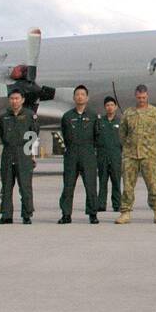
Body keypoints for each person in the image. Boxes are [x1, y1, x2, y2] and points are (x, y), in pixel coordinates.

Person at [119, 84, 156, 225]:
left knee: (153, 186)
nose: (141, 100)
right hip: (131, 155)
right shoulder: (128, 113)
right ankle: (125, 213)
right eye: (139, 97)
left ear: (147, 96)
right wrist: (128, 146)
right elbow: (122, 133)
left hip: (149, 155)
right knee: (127, 186)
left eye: (144, 97)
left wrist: (154, 146)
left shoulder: (155, 113)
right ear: (135, 96)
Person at [58, 84, 101, 224]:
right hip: (71, 153)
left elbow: (97, 135)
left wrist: (90, 150)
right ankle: (66, 214)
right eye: (77, 94)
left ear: (87, 98)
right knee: (68, 185)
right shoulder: (67, 116)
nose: (80, 97)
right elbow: (65, 134)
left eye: (82, 94)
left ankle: (92, 214)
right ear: (73, 97)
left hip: (88, 153)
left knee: (90, 185)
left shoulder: (93, 116)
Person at [0, 91, 37, 224]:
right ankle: (6, 215)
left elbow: (34, 134)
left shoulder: (29, 115)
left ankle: (27, 214)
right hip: (8, 153)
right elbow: (2, 135)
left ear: (22, 100)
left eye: (17, 98)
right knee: (6, 186)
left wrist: (32, 154)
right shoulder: (4, 117)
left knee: (25, 186)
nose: (14, 101)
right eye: (12, 98)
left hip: (24, 152)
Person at [97, 96, 123, 212]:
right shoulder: (99, 122)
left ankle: (117, 204)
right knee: (102, 181)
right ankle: (101, 204)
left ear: (116, 107)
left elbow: (125, 138)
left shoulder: (120, 122)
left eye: (112, 105)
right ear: (104, 107)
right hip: (102, 155)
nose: (110, 107)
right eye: (107, 105)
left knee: (116, 181)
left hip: (115, 155)